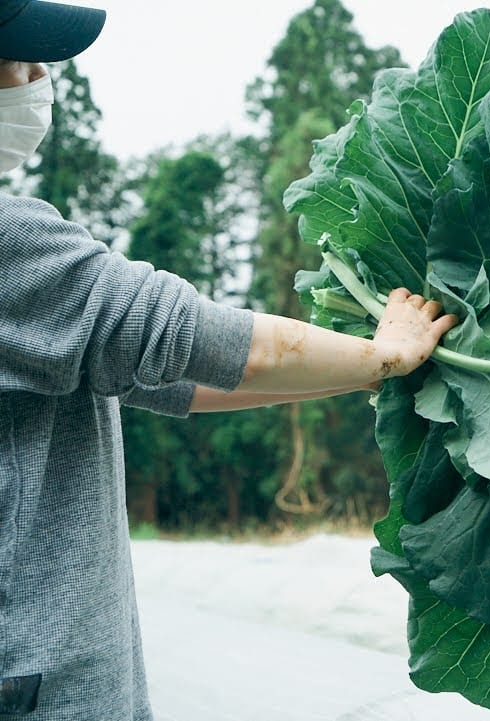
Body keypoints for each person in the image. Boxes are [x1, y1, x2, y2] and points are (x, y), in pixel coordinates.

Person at [0, 1, 457, 718]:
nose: (38, 78)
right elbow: (190, 337)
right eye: (15, 61)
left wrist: (351, 369)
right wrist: (384, 354)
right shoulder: (10, 244)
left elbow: (174, 377)